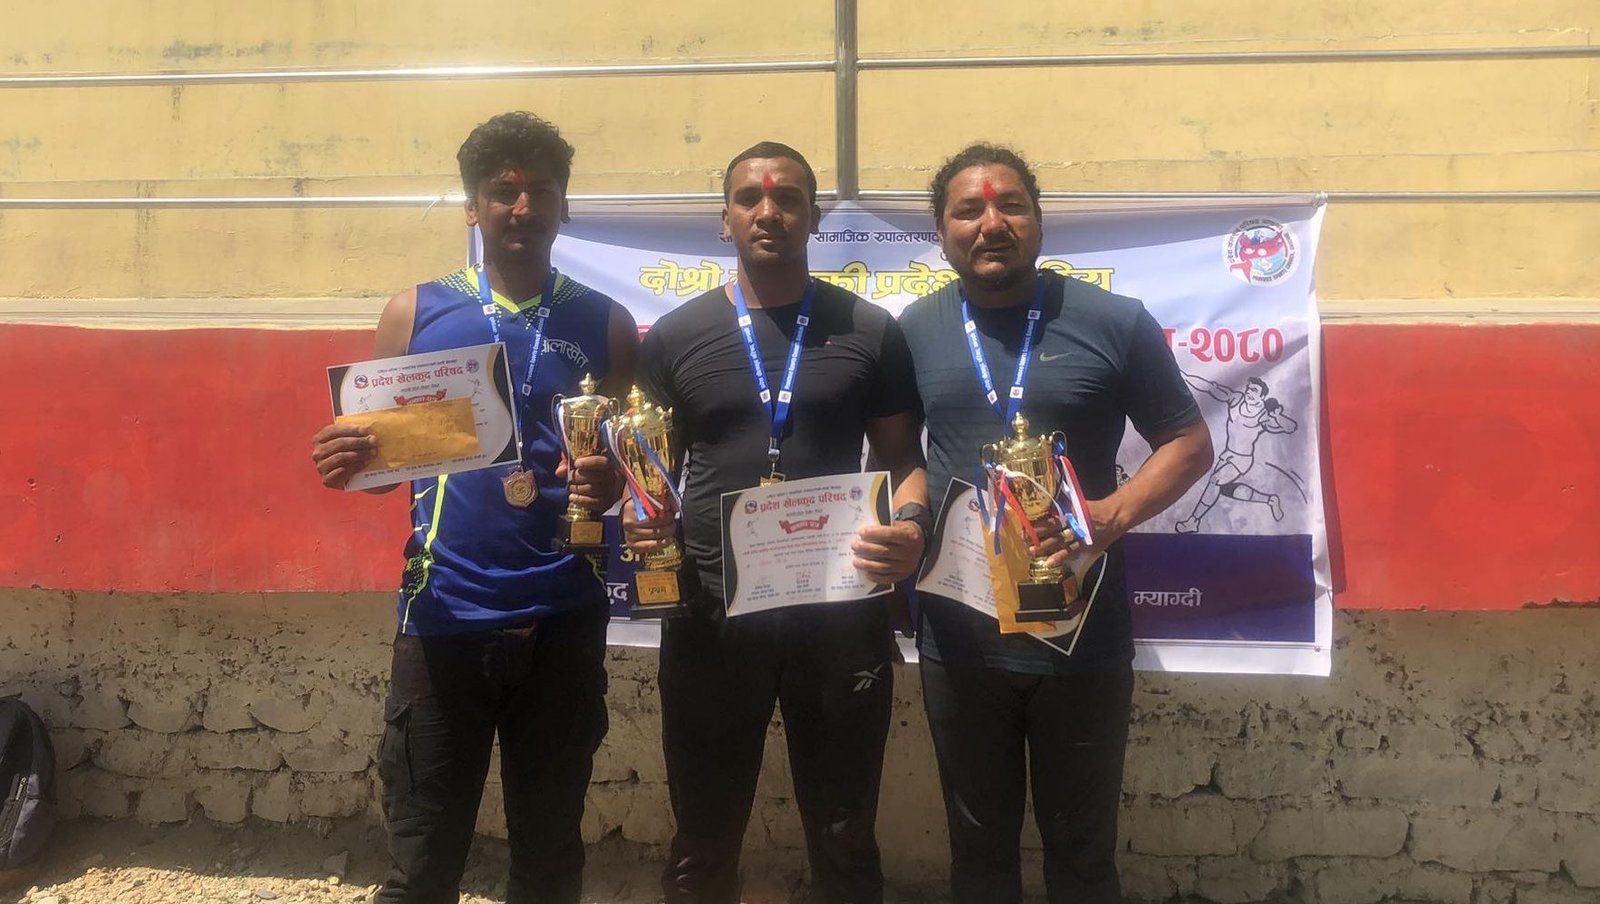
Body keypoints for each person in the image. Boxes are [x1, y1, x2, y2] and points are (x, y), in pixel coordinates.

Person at [309, 111, 637, 904]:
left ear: (563, 206)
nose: (523, 207)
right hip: (444, 612)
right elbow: (382, 471)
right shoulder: (414, 313)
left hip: (563, 614)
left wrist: (613, 484)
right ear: (472, 206)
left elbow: (627, 467)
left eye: (542, 192)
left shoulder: (607, 323)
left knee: (549, 858)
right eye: (503, 192)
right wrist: (349, 461)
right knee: (421, 864)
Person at [898, 144, 1214, 904]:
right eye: (968, 210)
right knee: (978, 855)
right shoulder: (912, 330)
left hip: (1083, 635)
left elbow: (1189, 443)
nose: (991, 223)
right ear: (941, 233)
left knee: (1082, 856)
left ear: (1039, 222)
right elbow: (900, 456)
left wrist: (1110, 516)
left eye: (1011, 205)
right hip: (959, 636)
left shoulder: (1113, 321)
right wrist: (906, 523)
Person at [622, 141, 930, 904]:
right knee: (703, 834)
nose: (769, 211)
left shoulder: (868, 328)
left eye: (788, 198)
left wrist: (913, 525)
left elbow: (903, 458)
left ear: (814, 217)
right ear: (724, 220)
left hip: (839, 613)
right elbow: (648, 473)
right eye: (750, 198)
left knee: (845, 832)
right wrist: (640, 520)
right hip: (710, 614)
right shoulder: (677, 336)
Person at [1176, 373, 1299, 531]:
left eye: (1254, 390)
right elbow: (1211, 388)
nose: (1249, 392)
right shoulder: (1236, 399)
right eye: (1249, 388)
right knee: (1226, 490)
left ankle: (1193, 521)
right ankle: (1270, 500)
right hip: (1227, 455)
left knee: (1215, 481)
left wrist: (1277, 416)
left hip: (1242, 459)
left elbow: (1290, 427)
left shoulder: (1263, 416)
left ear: (1262, 397)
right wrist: (1184, 376)